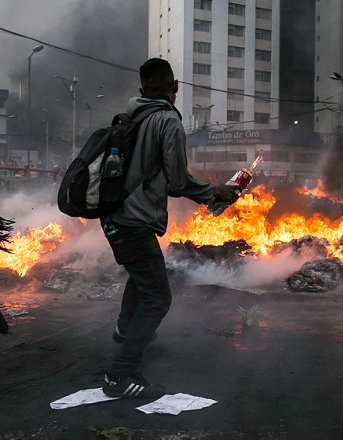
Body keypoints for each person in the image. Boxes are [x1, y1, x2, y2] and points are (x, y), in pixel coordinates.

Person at [99, 58, 239, 398]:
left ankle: (124, 328)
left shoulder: (129, 115)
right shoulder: (167, 121)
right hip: (135, 221)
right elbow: (177, 180)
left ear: (142, 89)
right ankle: (121, 374)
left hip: (113, 216)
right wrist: (214, 193)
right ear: (174, 88)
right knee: (159, 297)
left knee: (142, 273)